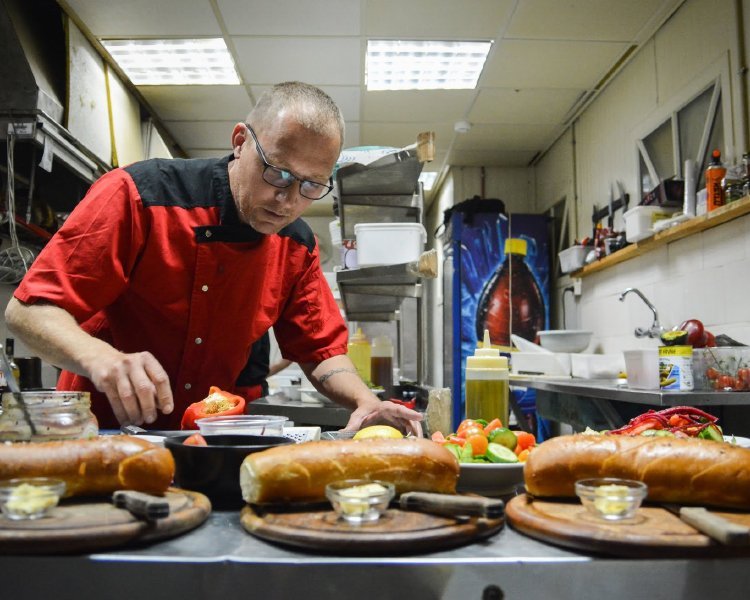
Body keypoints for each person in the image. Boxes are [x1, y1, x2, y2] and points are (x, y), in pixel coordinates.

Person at [4, 81, 423, 436]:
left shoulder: (298, 246)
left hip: (208, 440)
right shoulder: (138, 195)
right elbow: (28, 311)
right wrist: (102, 359)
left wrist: (366, 402)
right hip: (102, 430)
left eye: (311, 186)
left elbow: (319, 350)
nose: (288, 200)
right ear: (240, 142)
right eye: (278, 173)